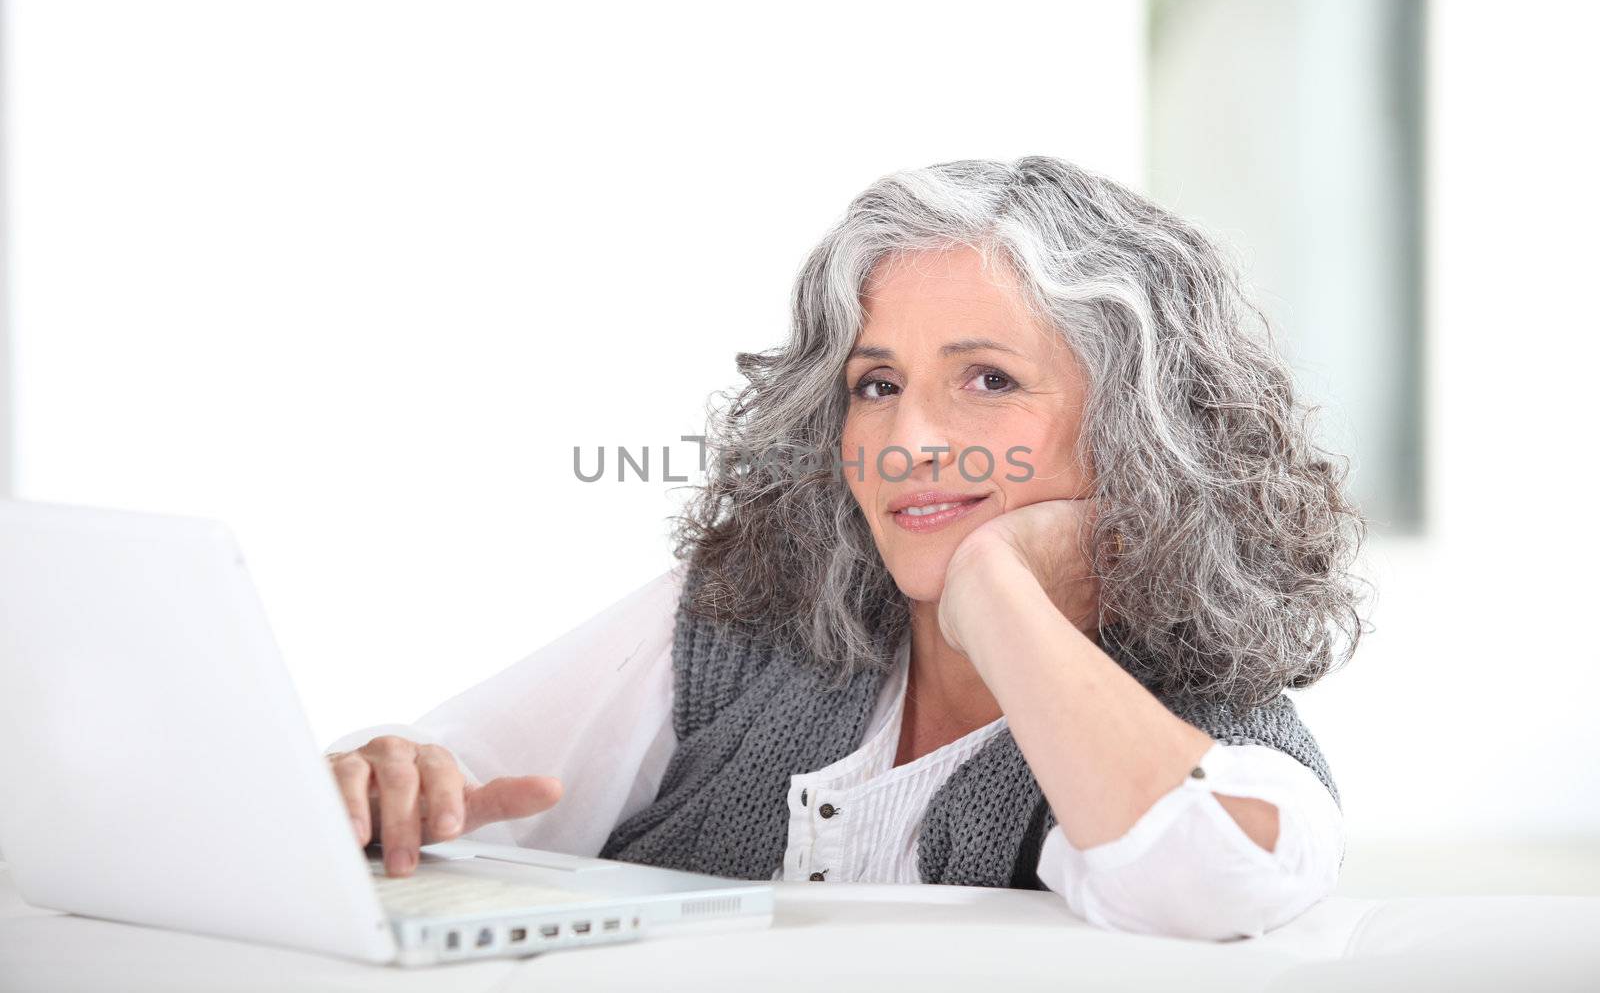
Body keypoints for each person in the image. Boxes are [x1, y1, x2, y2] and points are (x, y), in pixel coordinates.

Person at [324, 156, 1367, 940]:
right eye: (877, 385)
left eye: (988, 379)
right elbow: (453, 775)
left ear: (1137, 429)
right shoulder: (739, 618)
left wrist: (996, 589)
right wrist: (390, 780)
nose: (907, 443)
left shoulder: (1213, 730)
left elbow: (1217, 884)